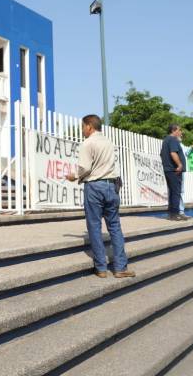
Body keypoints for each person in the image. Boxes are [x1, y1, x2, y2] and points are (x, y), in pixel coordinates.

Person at [67, 114, 135, 279]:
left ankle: (101, 268)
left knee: (95, 227)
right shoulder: (109, 142)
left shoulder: (87, 143)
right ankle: (120, 267)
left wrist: (73, 175)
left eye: (83, 127)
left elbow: (84, 167)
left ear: (89, 126)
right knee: (115, 227)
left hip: (95, 187)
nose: (82, 130)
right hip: (111, 186)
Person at [161, 124, 187, 221]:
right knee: (176, 192)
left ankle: (172, 214)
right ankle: (175, 214)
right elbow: (173, 153)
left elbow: (162, 154)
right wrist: (179, 164)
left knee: (172, 192)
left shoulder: (165, 140)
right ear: (174, 130)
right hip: (174, 170)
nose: (181, 132)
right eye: (179, 130)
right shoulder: (173, 140)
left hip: (168, 170)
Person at [177, 134, 193, 220]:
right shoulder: (173, 144)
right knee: (177, 191)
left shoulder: (180, 145)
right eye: (179, 132)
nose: (181, 134)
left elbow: (186, 152)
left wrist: (192, 148)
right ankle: (179, 211)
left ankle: (180, 211)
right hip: (176, 170)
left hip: (181, 170)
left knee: (180, 191)